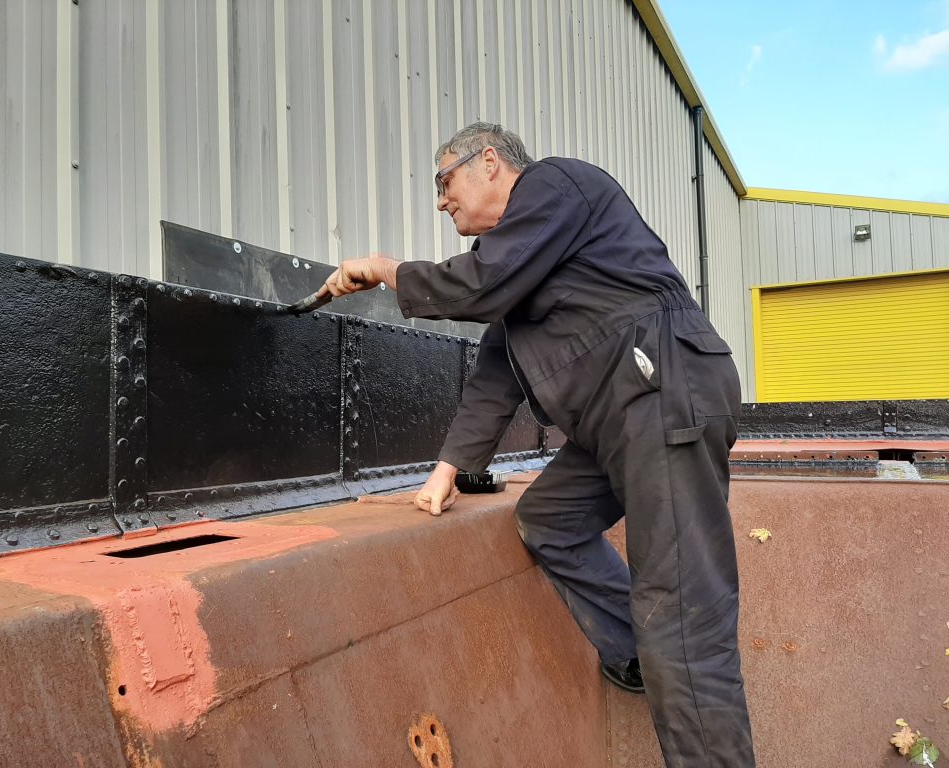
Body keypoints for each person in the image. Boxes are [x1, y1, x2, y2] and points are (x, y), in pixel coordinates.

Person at [318, 122, 755, 766]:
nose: (442, 202)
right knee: (548, 519)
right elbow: (496, 372)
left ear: (489, 162)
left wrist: (386, 270)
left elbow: (476, 288)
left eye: (445, 182)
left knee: (685, 621)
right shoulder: (523, 262)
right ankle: (638, 649)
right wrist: (448, 471)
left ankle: (673, 671)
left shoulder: (556, 186)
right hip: (620, 421)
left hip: (664, 395)